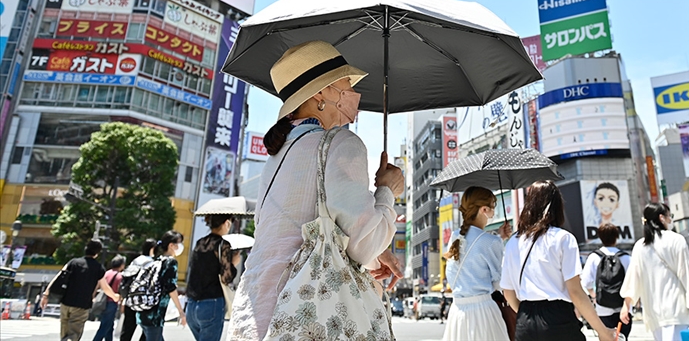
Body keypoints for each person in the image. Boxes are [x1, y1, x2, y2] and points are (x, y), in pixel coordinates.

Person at [228, 41, 404, 340]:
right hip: (308, 312)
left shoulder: (278, 154)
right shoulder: (341, 143)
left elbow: (300, 227)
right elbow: (363, 244)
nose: (353, 91)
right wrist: (387, 191)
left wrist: (379, 251)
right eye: (346, 83)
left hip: (257, 308)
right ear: (321, 93)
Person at [500, 180, 616, 341]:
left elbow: (508, 292)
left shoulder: (513, 242)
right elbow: (575, 292)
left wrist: (526, 314)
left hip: (525, 320)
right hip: (557, 317)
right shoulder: (563, 238)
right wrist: (603, 332)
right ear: (556, 206)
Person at [619, 203, 689, 341]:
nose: (671, 220)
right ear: (661, 218)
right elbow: (687, 274)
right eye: (670, 216)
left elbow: (633, 278)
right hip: (677, 309)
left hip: (654, 313)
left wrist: (626, 305)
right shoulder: (676, 240)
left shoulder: (640, 246)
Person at [441, 186, 512, 341]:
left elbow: (474, 250)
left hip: (457, 312)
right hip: (483, 311)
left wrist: (499, 237)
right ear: (484, 210)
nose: (494, 213)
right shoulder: (491, 242)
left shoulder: (455, 237)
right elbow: (499, 282)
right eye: (493, 207)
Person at [41, 239, 120, 341]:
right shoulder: (98, 268)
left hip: (65, 303)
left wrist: (46, 294)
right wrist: (115, 297)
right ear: (97, 253)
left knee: (64, 334)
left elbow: (58, 277)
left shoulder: (73, 262)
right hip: (81, 306)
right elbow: (105, 287)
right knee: (73, 336)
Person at [185, 213, 240, 341]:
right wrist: (233, 264)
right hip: (211, 303)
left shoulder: (200, 243)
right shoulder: (222, 244)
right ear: (226, 223)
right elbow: (226, 278)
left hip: (192, 304)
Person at [581, 223, 631, 340]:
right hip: (624, 310)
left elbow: (586, 282)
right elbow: (632, 284)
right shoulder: (626, 258)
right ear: (616, 237)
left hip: (602, 309)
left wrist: (595, 296)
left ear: (600, 237)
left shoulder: (593, 257)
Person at [136, 231, 187, 340]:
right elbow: (170, 287)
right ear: (171, 245)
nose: (181, 246)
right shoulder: (171, 262)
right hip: (156, 314)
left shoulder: (157, 260)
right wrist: (181, 311)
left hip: (145, 310)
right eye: (179, 243)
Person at [119, 238, 157, 341]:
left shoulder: (135, 261)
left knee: (127, 330)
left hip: (130, 299)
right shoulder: (151, 263)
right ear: (152, 249)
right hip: (143, 300)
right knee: (146, 330)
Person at [92, 255, 126, 341]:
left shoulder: (106, 273)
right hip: (112, 302)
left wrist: (93, 296)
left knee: (109, 326)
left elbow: (97, 285)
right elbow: (121, 291)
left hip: (102, 301)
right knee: (105, 326)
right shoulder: (120, 276)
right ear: (121, 265)